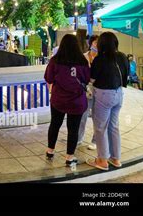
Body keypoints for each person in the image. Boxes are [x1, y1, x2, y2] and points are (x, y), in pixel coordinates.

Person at [44, 34, 90, 166]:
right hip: (77, 101)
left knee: (55, 124)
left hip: (59, 100)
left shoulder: (55, 61)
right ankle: (69, 157)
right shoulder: (82, 61)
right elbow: (86, 80)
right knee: (73, 129)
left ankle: (50, 151)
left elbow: (49, 78)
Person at [87, 32, 129, 171]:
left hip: (104, 95)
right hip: (119, 94)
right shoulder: (122, 56)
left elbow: (92, 79)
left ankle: (102, 160)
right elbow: (125, 76)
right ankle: (116, 159)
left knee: (100, 128)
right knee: (114, 126)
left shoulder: (100, 59)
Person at [78, 35, 99, 150]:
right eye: (95, 43)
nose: (96, 45)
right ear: (91, 43)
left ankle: (95, 141)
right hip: (85, 90)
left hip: (99, 91)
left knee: (98, 117)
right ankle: (79, 138)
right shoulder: (83, 57)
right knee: (82, 115)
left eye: (98, 43)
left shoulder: (101, 59)